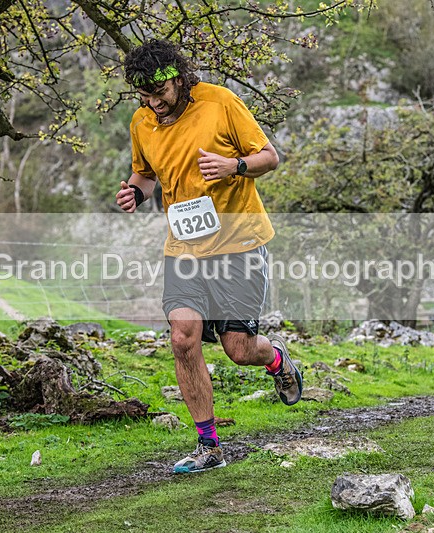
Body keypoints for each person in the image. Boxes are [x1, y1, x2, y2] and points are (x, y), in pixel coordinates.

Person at [117, 40, 303, 474]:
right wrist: (135, 193)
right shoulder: (143, 121)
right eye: (144, 96)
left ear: (178, 79)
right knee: (182, 337)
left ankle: (275, 358)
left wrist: (234, 166)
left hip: (239, 243)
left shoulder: (220, 102)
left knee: (237, 349)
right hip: (183, 247)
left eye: (159, 93)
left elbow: (269, 157)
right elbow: (145, 173)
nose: (153, 103)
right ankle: (209, 447)